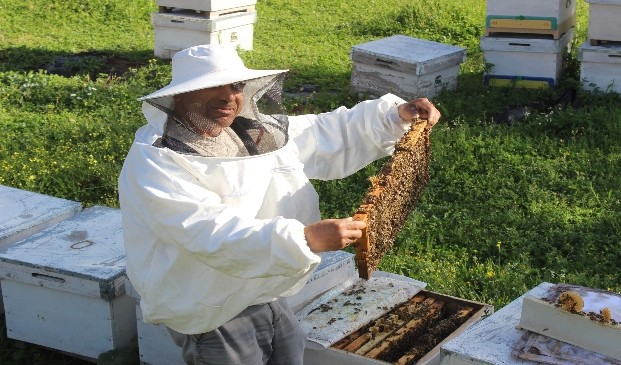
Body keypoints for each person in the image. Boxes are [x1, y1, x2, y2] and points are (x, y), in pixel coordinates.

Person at [118, 44, 441, 365]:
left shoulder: (252, 132)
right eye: (212, 87)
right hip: (209, 305)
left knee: (290, 351)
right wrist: (304, 240)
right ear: (179, 96)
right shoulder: (156, 161)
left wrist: (394, 117)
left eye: (235, 86)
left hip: (261, 287)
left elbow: (324, 133)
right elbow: (210, 232)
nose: (228, 97)